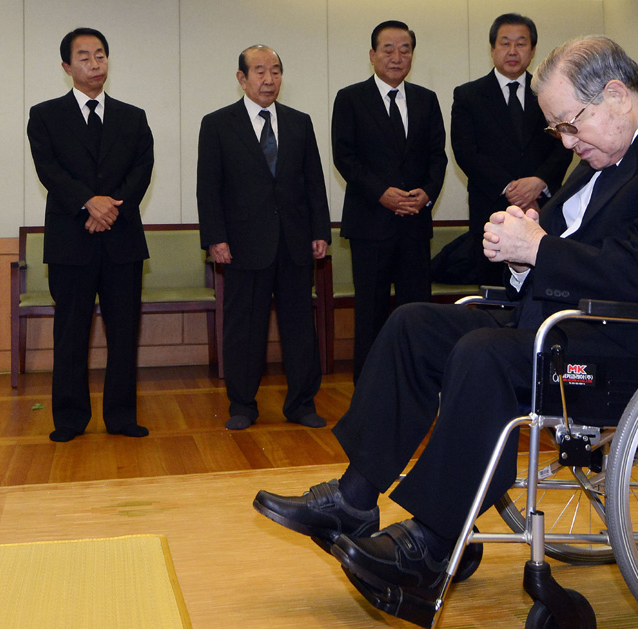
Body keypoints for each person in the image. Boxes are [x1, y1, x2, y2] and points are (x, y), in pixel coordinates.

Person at [254, 36, 638, 625]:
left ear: (615, 94)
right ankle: (355, 500)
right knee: (413, 323)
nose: (567, 142)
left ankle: (433, 541)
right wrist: (520, 259)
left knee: (486, 353)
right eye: (557, 131)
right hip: (570, 328)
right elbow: (561, 255)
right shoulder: (600, 159)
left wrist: (539, 250)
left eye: (570, 124)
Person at [27, 27, 154, 443]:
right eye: (84, 57)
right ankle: (69, 418)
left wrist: (109, 209)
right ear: (67, 66)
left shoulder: (133, 117)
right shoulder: (44, 115)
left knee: (123, 333)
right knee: (70, 333)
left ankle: (120, 416)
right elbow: (50, 171)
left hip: (122, 240)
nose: (94, 63)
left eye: (100, 55)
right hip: (71, 240)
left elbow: (141, 169)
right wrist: (88, 203)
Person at [197, 46, 331, 430]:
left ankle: (302, 404)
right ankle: (242, 405)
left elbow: (314, 183)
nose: (268, 79)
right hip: (242, 244)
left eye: (275, 71)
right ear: (242, 78)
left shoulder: (299, 122)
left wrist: (320, 231)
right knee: (244, 327)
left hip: (294, 241)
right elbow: (208, 188)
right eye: (259, 71)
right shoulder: (218, 124)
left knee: (299, 327)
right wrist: (214, 238)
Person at [331, 20, 448, 382]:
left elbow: (437, 157)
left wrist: (427, 193)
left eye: (405, 49)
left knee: (418, 308)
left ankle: (418, 380)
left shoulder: (426, 99)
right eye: (388, 49)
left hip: (415, 222)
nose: (397, 57)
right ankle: (369, 383)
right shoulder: (350, 98)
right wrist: (381, 193)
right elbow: (344, 156)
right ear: (372, 55)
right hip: (370, 224)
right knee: (371, 310)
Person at [434, 13, 570, 286]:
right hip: (491, 208)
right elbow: (466, 152)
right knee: (492, 291)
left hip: (542, 208)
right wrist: (511, 188)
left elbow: (565, 144)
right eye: (504, 43)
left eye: (521, 44)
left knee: (542, 288)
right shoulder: (468, 95)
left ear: (532, 52)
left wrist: (538, 182)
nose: (512, 51)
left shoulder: (551, 93)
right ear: (492, 49)